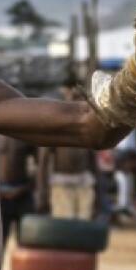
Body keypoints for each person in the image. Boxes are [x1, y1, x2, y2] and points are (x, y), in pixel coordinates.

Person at [41, 88, 98, 219]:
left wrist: (99, 194)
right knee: (64, 229)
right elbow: (43, 162)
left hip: (84, 184)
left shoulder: (89, 129)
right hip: (61, 185)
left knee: (83, 229)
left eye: (78, 97)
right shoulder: (56, 128)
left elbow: (93, 163)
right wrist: (42, 193)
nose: (75, 102)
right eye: (71, 97)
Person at [0, 135, 37, 254]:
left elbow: (39, 164)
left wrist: (26, 187)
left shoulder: (25, 135)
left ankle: (25, 267)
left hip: (22, 194)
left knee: (27, 241)